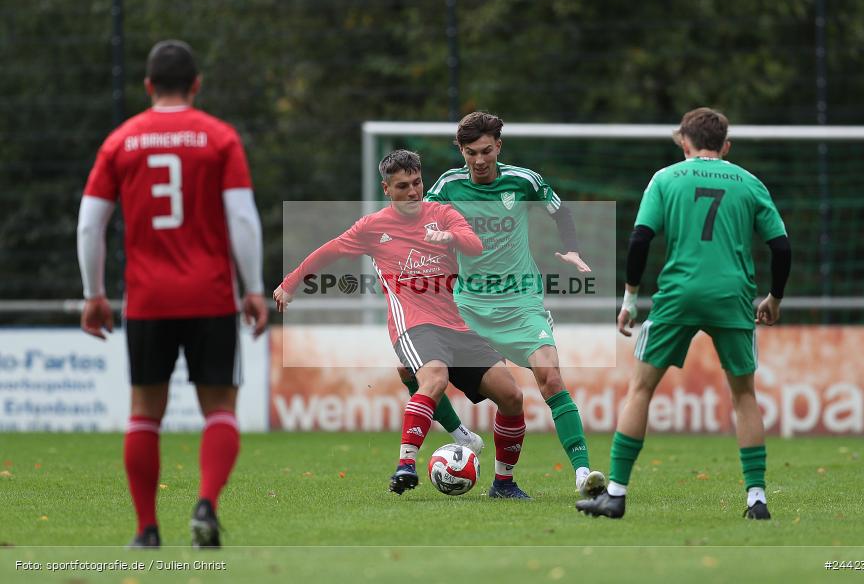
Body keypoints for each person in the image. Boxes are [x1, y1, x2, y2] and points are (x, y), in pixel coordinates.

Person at [77, 40, 267, 548]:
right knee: (221, 407)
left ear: (147, 86)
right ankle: (206, 504)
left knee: (144, 412)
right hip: (210, 297)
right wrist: (253, 288)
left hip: (147, 300)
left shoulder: (121, 140)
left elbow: (90, 226)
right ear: (197, 84)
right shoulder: (219, 138)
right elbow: (243, 219)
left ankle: (146, 530)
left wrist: (93, 293)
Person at [274, 149, 531, 499]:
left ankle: (503, 484)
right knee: (435, 376)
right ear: (386, 189)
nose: (413, 192)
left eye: (417, 183)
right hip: (413, 324)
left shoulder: (442, 213)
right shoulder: (372, 227)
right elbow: (329, 251)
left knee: (512, 396)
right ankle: (405, 465)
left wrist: (451, 237)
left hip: (457, 325)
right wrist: (290, 284)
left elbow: (474, 245)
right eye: (403, 186)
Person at [576, 107, 791, 520]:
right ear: (725, 146)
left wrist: (630, 299)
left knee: (641, 389)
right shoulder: (749, 182)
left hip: (680, 293)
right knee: (744, 396)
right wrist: (774, 298)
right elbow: (781, 247)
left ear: (683, 142)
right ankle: (757, 499)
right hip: (733, 296)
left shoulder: (666, 178)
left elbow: (640, 239)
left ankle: (616, 495)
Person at [399, 111, 605, 498]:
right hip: (467, 304)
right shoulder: (447, 185)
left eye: (487, 151)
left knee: (551, 377)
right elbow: (420, 226)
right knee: (407, 368)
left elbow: (560, 211)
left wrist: (572, 248)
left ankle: (582, 473)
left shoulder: (524, 180)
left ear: (499, 147)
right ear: (461, 150)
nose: (479, 161)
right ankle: (462, 435)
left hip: (520, 302)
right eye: (471, 152)